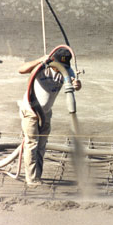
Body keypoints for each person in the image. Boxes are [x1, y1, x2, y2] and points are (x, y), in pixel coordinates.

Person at [18, 48, 81, 187]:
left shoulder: (66, 71)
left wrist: (77, 85)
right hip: (30, 110)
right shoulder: (43, 67)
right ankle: (32, 179)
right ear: (53, 61)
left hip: (46, 113)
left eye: (64, 67)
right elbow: (21, 69)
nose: (61, 70)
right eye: (59, 66)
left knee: (41, 145)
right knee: (32, 144)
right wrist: (40, 59)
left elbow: (76, 85)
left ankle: (37, 176)